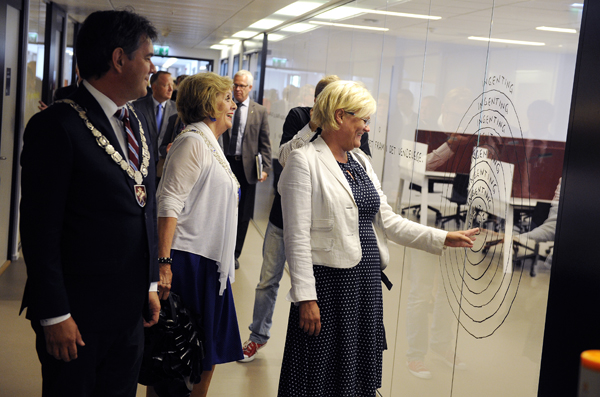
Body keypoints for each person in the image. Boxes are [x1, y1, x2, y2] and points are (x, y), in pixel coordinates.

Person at [277, 80, 479, 396]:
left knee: (357, 377)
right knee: (319, 374)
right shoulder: (303, 161)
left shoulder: (360, 162)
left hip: (365, 285)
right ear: (340, 116)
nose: (367, 128)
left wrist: (440, 237)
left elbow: (389, 221)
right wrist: (305, 297)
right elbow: (296, 237)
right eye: (363, 119)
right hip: (330, 288)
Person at [19, 10, 160, 396]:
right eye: (147, 57)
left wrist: (148, 282)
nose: (153, 67)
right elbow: (38, 229)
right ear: (119, 59)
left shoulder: (138, 120)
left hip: (128, 311)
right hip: (77, 314)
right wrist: (54, 314)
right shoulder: (57, 126)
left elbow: (144, 206)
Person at [239, 74, 373, 362]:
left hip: (326, 225)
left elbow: (363, 167)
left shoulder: (355, 124)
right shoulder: (298, 117)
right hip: (282, 219)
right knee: (268, 279)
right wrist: (312, 126)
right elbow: (286, 157)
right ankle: (257, 336)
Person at [155, 72, 244, 397]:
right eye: (226, 98)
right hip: (188, 263)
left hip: (210, 265)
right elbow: (168, 204)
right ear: (208, 102)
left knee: (202, 359)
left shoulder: (209, 142)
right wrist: (164, 264)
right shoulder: (193, 141)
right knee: (178, 361)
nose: (232, 105)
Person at [220, 69, 272, 269]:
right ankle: (221, 249)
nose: (238, 89)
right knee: (224, 208)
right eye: (236, 84)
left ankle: (234, 253)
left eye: (242, 85)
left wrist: (265, 167)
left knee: (243, 214)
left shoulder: (258, 111)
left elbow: (265, 142)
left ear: (250, 88)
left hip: (247, 167)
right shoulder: (226, 105)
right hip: (226, 163)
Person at [133, 71, 177, 163]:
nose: (171, 89)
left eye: (172, 85)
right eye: (166, 85)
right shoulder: (137, 106)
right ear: (154, 87)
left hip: (165, 162)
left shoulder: (177, 109)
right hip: (142, 160)